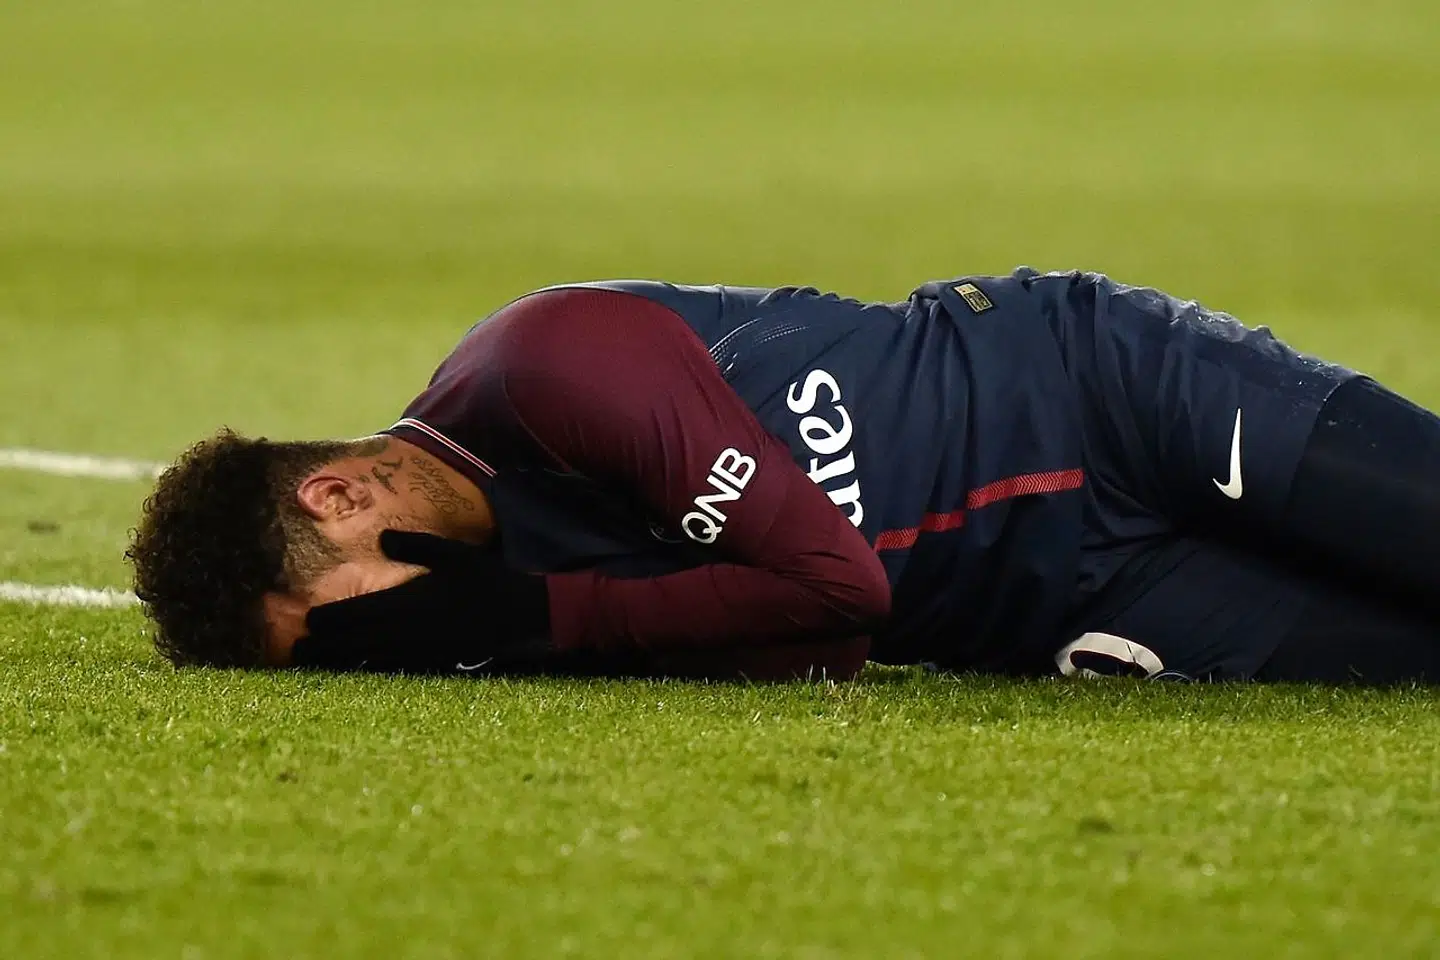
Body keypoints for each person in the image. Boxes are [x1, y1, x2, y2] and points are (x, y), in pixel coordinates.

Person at [127, 269, 1440, 684]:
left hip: (1114, 396)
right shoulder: (503, 615)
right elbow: (827, 648)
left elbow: (834, 584)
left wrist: (545, 620)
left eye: (350, 622)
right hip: (1071, 595)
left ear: (340, 497)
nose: (389, 652)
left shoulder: (549, 366)